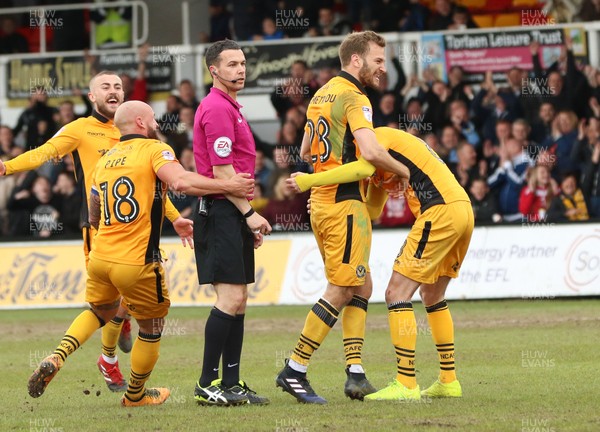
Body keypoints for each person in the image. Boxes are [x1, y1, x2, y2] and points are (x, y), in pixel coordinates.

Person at [27, 100, 254, 407]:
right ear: (141, 123)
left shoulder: (105, 160)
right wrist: (228, 186)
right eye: (153, 120)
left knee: (99, 311)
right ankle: (135, 395)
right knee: (152, 326)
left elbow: (94, 213)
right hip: (137, 262)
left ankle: (58, 355)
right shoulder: (154, 150)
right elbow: (181, 181)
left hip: (100, 257)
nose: (157, 125)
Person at [0, 70, 189, 393]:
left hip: (138, 229)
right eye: (105, 87)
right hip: (101, 229)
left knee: (117, 302)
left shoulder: (133, 133)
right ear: (92, 97)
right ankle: (111, 360)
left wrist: (173, 217)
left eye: (118, 86)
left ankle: (99, 354)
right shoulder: (79, 129)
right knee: (123, 301)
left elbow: (154, 187)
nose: (113, 91)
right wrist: (7, 167)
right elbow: (43, 152)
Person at [289, 126, 473, 401]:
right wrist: (332, 203)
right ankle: (448, 380)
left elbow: (360, 170)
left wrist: (312, 183)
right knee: (432, 294)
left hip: (439, 210)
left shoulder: (375, 137)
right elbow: (373, 210)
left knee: (396, 293)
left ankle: (406, 383)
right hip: (461, 209)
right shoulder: (385, 158)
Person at [275, 31, 410, 405]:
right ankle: (295, 368)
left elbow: (305, 149)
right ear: (356, 60)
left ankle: (355, 373)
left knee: (359, 285)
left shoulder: (321, 94)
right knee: (341, 288)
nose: (383, 68)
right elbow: (369, 150)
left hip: (321, 203)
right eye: (378, 60)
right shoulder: (354, 96)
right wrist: (402, 170)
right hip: (344, 205)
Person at [192, 39, 272, 407]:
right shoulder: (216, 108)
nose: (240, 70)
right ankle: (207, 384)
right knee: (231, 297)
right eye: (232, 64)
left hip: (232, 211)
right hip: (222, 209)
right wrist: (249, 214)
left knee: (239, 301)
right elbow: (224, 172)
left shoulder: (230, 107)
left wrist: (245, 216)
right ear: (214, 70)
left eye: (242, 63)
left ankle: (232, 382)